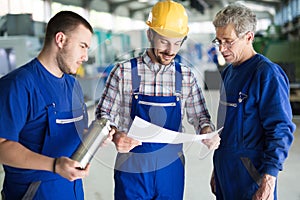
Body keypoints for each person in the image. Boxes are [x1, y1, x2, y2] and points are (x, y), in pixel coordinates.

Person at [96, 0, 220, 199]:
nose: (171, 50)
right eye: (164, 41)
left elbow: (201, 117)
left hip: (170, 169)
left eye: (177, 43)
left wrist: (206, 131)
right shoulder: (124, 72)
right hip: (132, 167)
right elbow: (103, 115)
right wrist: (116, 134)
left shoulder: (186, 76)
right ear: (150, 34)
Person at [0, 11, 95, 199]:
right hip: (34, 192)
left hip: (71, 189)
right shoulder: (18, 85)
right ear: (60, 39)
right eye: (82, 46)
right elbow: (2, 146)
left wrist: (95, 138)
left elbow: (75, 131)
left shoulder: (73, 84)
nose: (85, 56)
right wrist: (54, 165)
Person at [210, 3, 296, 200]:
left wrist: (269, 177)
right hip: (226, 170)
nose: (222, 49)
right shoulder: (229, 72)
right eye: (218, 41)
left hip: (252, 175)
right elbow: (227, 127)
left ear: (248, 37)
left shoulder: (266, 74)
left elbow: (280, 128)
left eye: (228, 41)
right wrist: (217, 168)